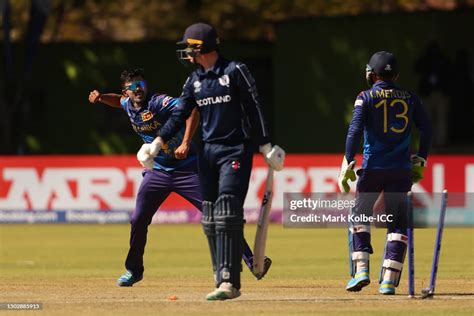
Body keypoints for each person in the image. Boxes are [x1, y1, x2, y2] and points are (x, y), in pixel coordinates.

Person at [136, 23, 285, 300]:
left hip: (234, 150)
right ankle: (220, 278)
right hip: (207, 154)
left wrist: (265, 144)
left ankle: (230, 281)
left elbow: (254, 106)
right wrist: (157, 143)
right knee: (210, 216)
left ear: (200, 47)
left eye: (189, 46)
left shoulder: (235, 71)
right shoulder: (194, 80)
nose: (186, 52)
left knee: (228, 207)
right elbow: (180, 113)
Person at [88, 68, 271, 287]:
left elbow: (191, 109)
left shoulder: (158, 102)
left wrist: (185, 142)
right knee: (138, 219)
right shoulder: (128, 104)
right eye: (133, 87)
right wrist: (100, 98)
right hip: (157, 172)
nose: (138, 90)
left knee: (216, 215)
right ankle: (134, 270)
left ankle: (252, 262)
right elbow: (118, 101)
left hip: (188, 170)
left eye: (141, 85)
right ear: (126, 92)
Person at [338, 51, 433, 295]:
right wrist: (421, 157)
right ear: (396, 75)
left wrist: (348, 160)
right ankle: (389, 280)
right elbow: (427, 129)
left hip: (373, 168)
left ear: (371, 74)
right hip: (400, 170)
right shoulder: (410, 97)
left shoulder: (365, 97)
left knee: (360, 216)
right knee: (398, 222)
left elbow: (354, 130)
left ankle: (361, 271)